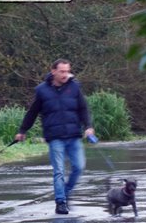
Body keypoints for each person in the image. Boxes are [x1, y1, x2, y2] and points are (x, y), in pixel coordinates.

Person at [15, 59, 95, 214]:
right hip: (55, 137)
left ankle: (65, 192)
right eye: (62, 71)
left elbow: (83, 108)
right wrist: (22, 130)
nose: (66, 74)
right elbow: (32, 112)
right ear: (53, 72)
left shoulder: (74, 87)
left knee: (79, 167)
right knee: (58, 170)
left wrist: (88, 126)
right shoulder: (42, 90)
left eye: (67, 71)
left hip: (73, 136)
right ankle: (60, 202)